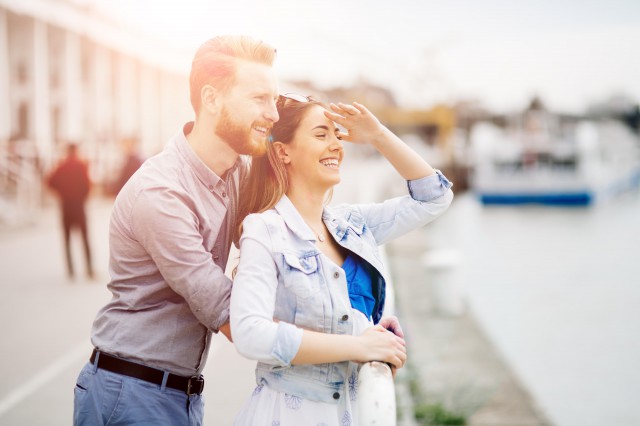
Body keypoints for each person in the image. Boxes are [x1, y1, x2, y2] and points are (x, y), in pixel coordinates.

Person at [72, 35, 280, 426]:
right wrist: (345, 346)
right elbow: (231, 315)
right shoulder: (161, 193)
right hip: (131, 394)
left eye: (275, 99)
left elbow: (285, 240)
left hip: (175, 394)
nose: (273, 114)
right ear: (212, 99)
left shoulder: (235, 172)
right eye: (259, 99)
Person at [230, 94, 454, 425]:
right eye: (321, 134)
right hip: (291, 414)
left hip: (353, 410)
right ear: (282, 151)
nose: (336, 144)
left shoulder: (352, 224)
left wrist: (377, 134)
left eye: (337, 134)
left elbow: (434, 197)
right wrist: (357, 346)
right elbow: (250, 333)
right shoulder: (265, 230)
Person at [46, 142, 93, 280]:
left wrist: (61, 193)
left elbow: (50, 182)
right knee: (85, 238)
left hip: (65, 206)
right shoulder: (82, 165)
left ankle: (71, 270)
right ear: (76, 151)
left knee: (67, 239)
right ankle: (89, 269)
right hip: (79, 206)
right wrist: (83, 197)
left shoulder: (61, 166)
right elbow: (88, 185)